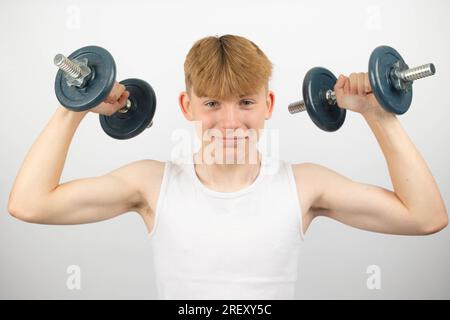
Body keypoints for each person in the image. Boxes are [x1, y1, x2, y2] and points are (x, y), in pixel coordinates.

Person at [7, 34, 448, 299]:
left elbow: (426, 217)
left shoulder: (305, 187)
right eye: (213, 103)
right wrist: (77, 106)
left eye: (247, 102)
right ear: (187, 105)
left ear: (269, 104)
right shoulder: (152, 184)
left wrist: (378, 114)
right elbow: (29, 204)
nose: (231, 121)